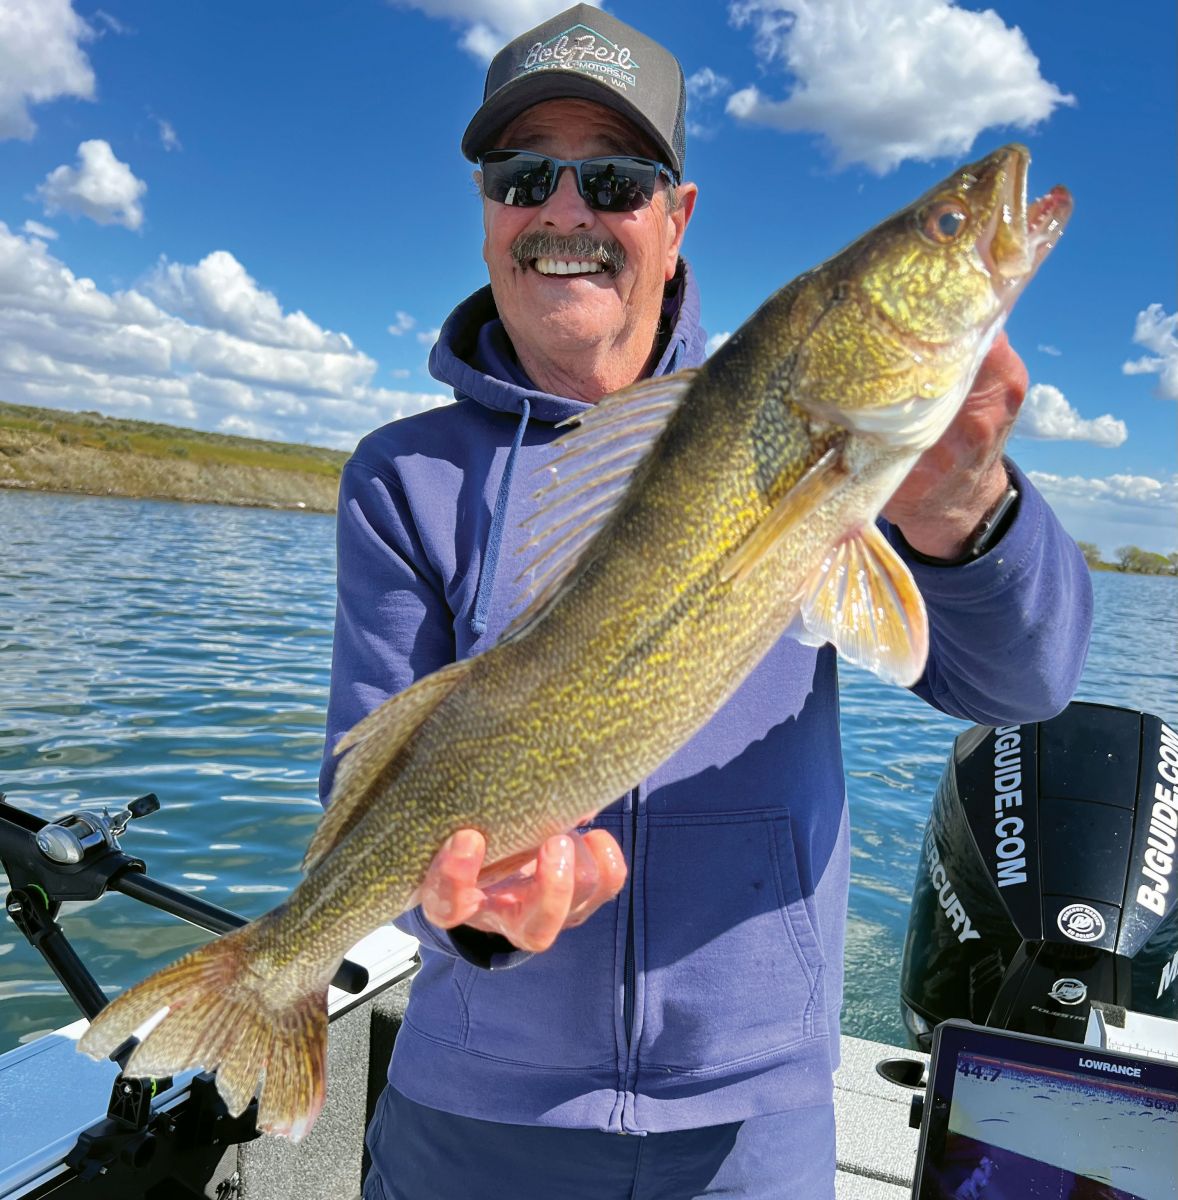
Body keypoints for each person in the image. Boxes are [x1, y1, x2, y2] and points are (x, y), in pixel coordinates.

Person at [319, 6, 1093, 1197]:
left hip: (752, 1131)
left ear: (674, 222)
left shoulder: (821, 433)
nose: (565, 210)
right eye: (524, 177)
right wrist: (473, 913)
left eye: (616, 180)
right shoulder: (401, 478)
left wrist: (963, 510)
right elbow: (370, 790)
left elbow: (1021, 687)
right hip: (472, 1113)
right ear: (487, 216)